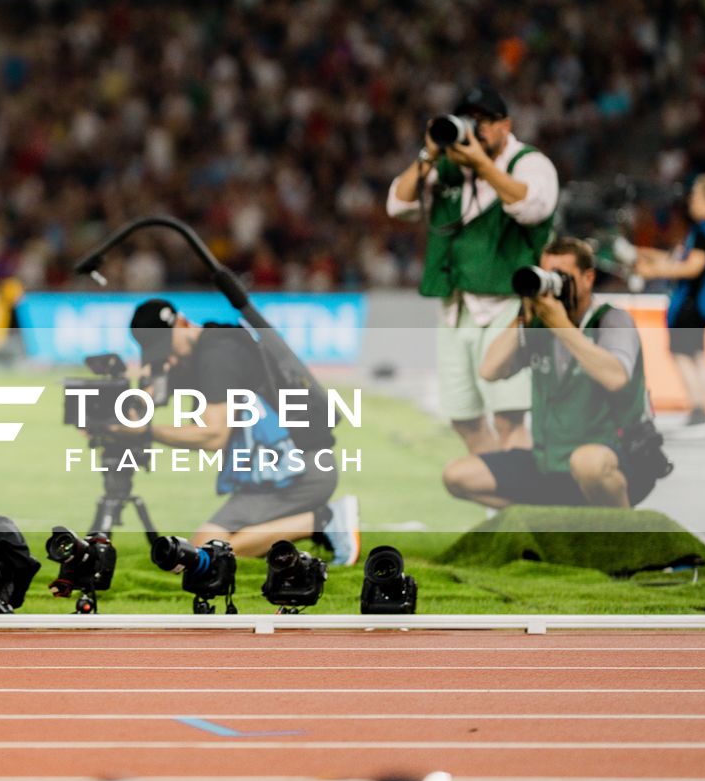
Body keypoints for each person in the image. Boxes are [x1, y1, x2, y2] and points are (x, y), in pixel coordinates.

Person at [387, 85, 559, 454]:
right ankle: (501, 496)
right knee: (463, 419)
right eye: (470, 120)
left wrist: (484, 165)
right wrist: (428, 155)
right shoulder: (446, 166)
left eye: (485, 120)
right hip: (456, 306)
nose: (476, 128)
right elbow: (397, 206)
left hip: (509, 306)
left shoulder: (529, 162)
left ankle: (522, 499)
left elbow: (533, 207)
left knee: (508, 418)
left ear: (505, 125)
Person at [133, 300, 361, 565]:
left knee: (200, 558)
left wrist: (146, 431)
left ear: (182, 323)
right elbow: (151, 395)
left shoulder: (218, 354)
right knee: (199, 552)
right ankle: (314, 524)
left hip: (298, 474)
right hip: (277, 472)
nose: (169, 360)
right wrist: (124, 411)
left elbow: (213, 435)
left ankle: (324, 521)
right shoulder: (209, 348)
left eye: (168, 349)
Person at [443, 238, 662, 510]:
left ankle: (620, 537)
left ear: (588, 278)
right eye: (547, 276)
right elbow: (489, 370)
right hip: (551, 462)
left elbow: (615, 377)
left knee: (588, 463)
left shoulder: (612, 320)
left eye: (561, 277)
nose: (554, 285)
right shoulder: (540, 327)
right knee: (458, 476)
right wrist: (524, 316)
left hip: (620, 457)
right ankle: (548, 525)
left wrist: (561, 326)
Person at [633, 174, 705, 428]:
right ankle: (701, 404)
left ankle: (698, 406)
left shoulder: (703, 231)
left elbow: (692, 267)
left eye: (696, 196)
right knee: (696, 352)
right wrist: (653, 257)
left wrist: (655, 271)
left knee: (682, 352)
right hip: (703, 303)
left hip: (691, 303)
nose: (691, 201)